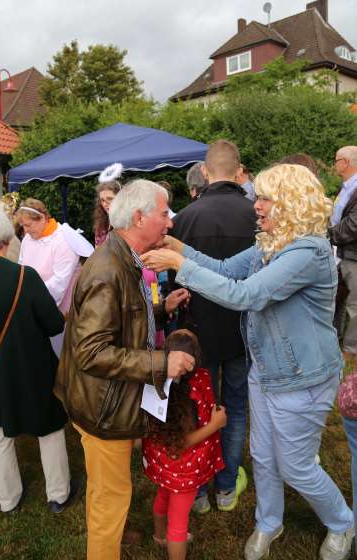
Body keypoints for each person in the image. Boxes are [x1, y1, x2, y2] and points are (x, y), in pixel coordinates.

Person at [142, 164, 354, 560]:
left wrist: (179, 267)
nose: (256, 206)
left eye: (264, 198)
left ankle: (342, 523)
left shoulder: (307, 251)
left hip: (302, 378)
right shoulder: (269, 242)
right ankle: (268, 522)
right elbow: (224, 270)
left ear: (290, 202)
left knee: (296, 466)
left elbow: (246, 296)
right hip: (266, 371)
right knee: (263, 457)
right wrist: (180, 248)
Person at [55, 179, 195, 560]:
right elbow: (92, 351)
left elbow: (121, 320)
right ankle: (105, 546)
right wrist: (162, 362)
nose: (170, 222)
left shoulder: (124, 257)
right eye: (165, 213)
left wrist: (159, 310)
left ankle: (109, 538)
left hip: (106, 401)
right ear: (139, 217)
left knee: (106, 493)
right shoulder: (108, 268)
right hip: (103, 409)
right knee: (109, 500)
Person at [0, 208, 78, 514]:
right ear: (7, 239)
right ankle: (58, 494)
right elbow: (54, 325)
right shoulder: (24, 276)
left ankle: (8, 500)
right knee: (49, 428)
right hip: (32, 368)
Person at [170, 140, 256, 514]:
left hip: (200, 331)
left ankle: (205, 490)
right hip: (241, 329)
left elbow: (176, 281)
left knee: (201, 409)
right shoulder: (258, 214)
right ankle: (222, 487)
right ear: (239, 172)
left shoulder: (185, 218)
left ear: (205, 173)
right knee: (235, 407)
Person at [143, 329, 226, 560]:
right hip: (183, 472)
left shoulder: (155, 381)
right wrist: (214, 425)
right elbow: (183, 442)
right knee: (178, 525)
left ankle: (159, 536)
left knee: (162, 497)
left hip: (162, 466)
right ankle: (170, 542)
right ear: (194, 361)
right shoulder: (190, 395)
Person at [18, 197, 93, 357]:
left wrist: (34, 303)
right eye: (22, 226)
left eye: (28, 225)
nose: (25, 231)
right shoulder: (27, 239)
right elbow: (21, 268)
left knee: (61, 356)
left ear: (43, 218)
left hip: (59, 309)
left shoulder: (63, 240)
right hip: (34, 304)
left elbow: (60, 282)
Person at [329, 146, 357, 361]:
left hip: (353, 256)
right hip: (341, 253)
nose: (334, 164)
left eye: (337, 160)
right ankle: (334, 339)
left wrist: (326, 235)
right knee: (334, 298)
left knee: (354, 306)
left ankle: (350, 350)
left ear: (346, 163)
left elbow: (352, 226)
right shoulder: (346, 186)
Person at [93, 180, 121, 246]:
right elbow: (97, 251)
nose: (105, 204)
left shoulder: (129, 223)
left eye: (110, 199)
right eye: (102, 200)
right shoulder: (101, 225)